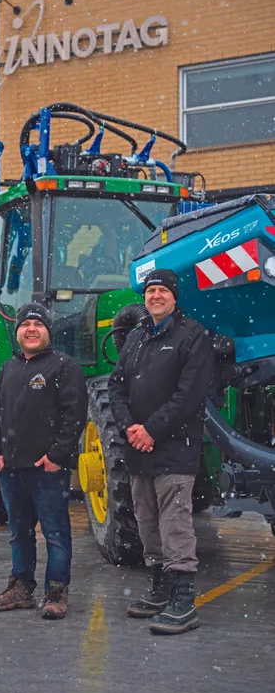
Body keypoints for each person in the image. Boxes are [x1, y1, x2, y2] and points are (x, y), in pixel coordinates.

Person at [108, 269, 213, 635]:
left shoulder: (193, 336)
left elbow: (188, 396)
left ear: (174, 297)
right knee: (147, 521)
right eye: (150, 290)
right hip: (139, 448)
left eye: (162, 290)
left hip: (174, 448)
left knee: (175, 523)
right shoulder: (136, 337)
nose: (155, 296)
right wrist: (130, 428)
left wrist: (151, 429)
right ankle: (160, 588)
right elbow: (116, 386)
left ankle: (184, 601)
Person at [0, 302, 88, 620]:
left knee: (55, 533)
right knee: (19, 531)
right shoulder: (8, 368)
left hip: (47, 469)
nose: (31, 329)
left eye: (38, 324)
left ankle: (56, 592)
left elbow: (74, 415)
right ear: (17, 332)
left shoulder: (64, 367)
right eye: (25, 325)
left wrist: (57, 456)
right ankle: (21, 588)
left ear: (48, 331)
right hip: (11, 469)